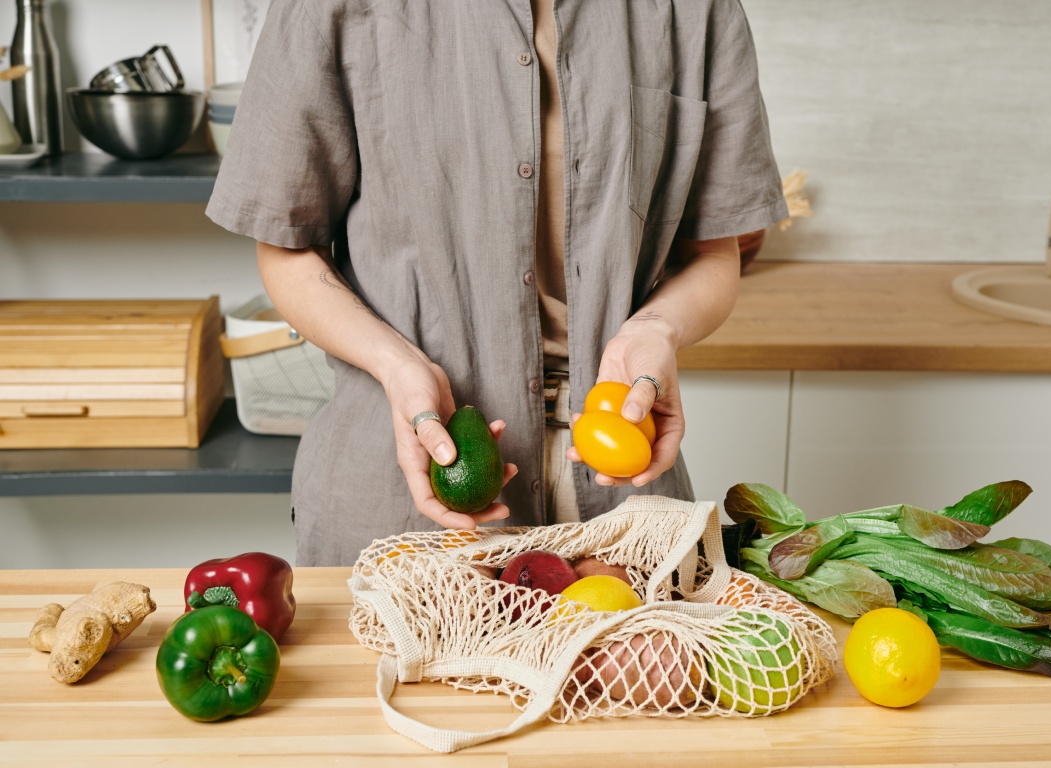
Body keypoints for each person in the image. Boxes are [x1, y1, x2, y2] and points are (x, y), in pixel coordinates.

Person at [206, 0, 787, 566]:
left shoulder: (699, 10)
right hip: (406, 489)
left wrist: (658, 330)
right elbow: (288, 249)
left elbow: (712, 254)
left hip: (628, 495)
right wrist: (395, 363)